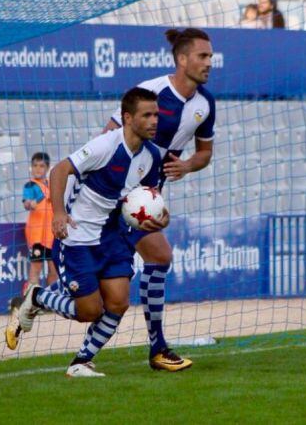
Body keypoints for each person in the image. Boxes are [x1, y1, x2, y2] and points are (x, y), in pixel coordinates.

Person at [6, 87, 167, 378]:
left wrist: (159, 216)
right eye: (147, 115)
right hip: (78, 238)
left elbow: (148, 198)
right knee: (90, 311)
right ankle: (38, 296)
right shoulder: (105, 146)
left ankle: (81, 362)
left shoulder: (152, 156)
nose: (155, 120)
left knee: (118, 302)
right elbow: (59, 171)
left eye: (156, 114)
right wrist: (58, 213)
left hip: (113, 237)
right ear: (128, 118)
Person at [102, 28, 215, 372]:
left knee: (160, 256)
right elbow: (107, 136)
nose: (209, 63)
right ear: (182, 59)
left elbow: (205, 153)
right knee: (90, 300)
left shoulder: (205, 104)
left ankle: (158, 348)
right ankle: (36, 301)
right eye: (203, 56)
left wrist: (186, 165)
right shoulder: (151, 91)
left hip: (140, 203)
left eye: (210, 57)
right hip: (111, 196)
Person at [21, 152, 57, 294]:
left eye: (41, 166)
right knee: (36, 267)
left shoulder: (51, 185)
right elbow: (26, 203)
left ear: (47, 168)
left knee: (53, 267)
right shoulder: (31, 186)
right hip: (36, 235)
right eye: (35, 165)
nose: (37, 169)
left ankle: (52, 299)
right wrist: (30, 203)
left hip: (51, 235)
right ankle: (31, 301)